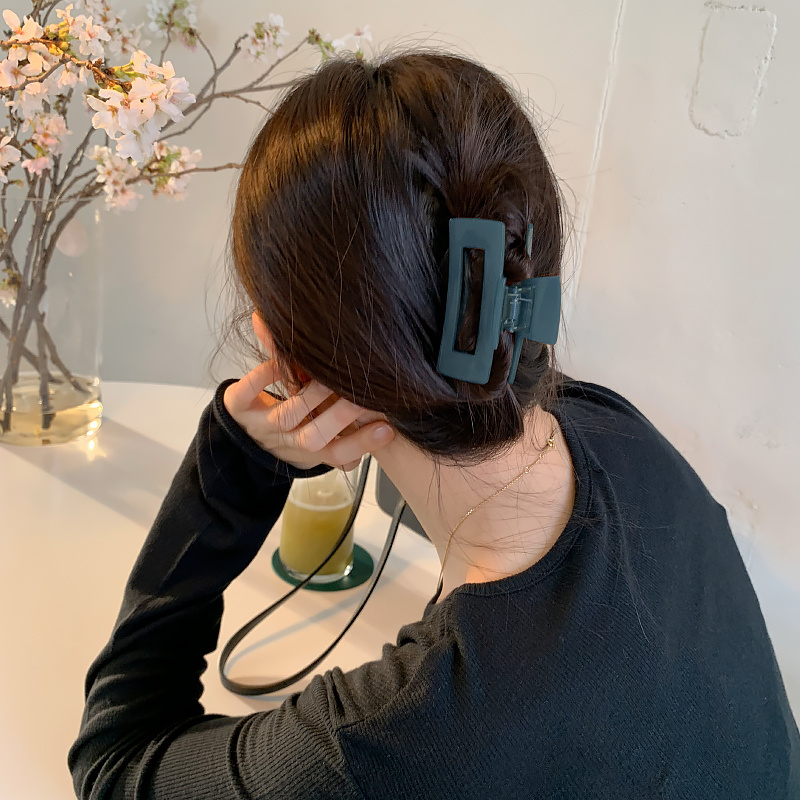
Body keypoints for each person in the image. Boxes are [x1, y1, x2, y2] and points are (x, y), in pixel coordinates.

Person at [68, 49, 799, 799]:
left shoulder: (389, 743)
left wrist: (234, 460)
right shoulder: (622, 433)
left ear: (289, 360)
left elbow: (115, 763)